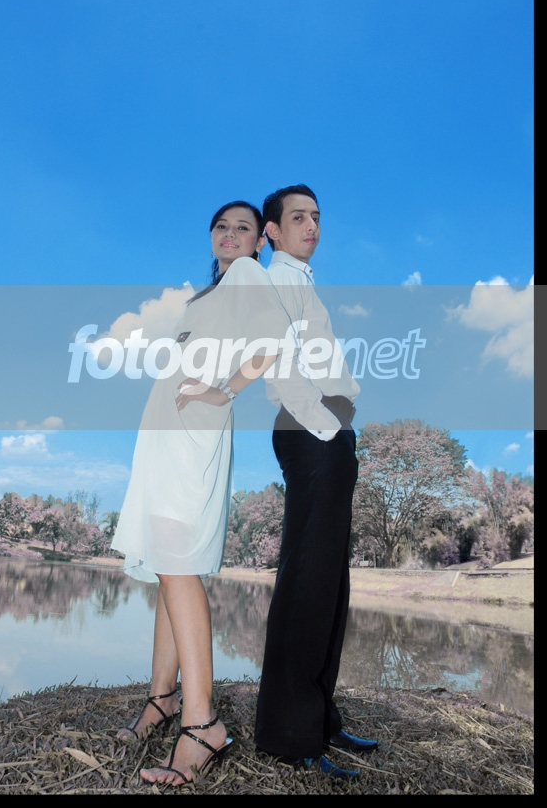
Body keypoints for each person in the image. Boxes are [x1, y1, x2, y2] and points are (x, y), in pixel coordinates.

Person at [111, 201, 299, 788]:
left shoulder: (247, 276)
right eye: (221, 226)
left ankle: (202, 723)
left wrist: (226, 390)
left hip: (194, 433)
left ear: (260, 241)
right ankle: (162, 698)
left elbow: (276, 338)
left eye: (244, 228)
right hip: (166, 433)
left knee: (178, 564)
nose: (230, 234)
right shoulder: (206, 295)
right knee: (168, 564)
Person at [253, 184, 378, 777]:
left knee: (330, 581)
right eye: (298, 217)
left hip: (329, 432)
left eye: (317, 217)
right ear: (272, 231)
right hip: (309, 430)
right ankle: (289, 734)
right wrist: (328, 428)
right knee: (307, 579)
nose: (312, 226)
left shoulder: (302, 281)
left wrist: (342, 427)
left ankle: (321, 719)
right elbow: (280, 368)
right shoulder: (275, 281)